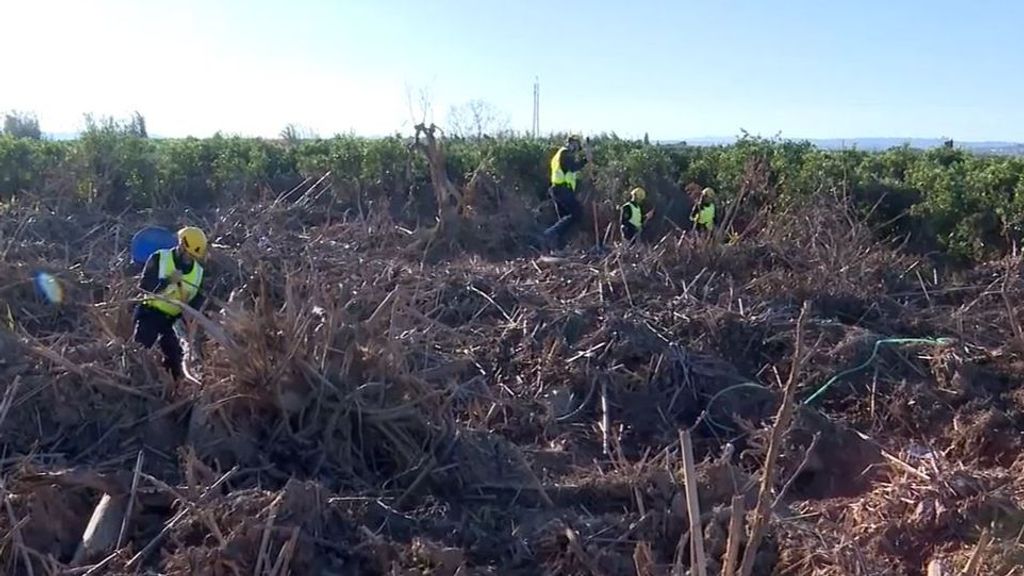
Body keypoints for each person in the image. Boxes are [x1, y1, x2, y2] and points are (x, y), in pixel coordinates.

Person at [133, 226, 208, 381]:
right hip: (150, 314)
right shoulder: (159, 258)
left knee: (175, 360)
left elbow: (197, 302)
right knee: (139, 353)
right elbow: (144, 287)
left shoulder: (198, 273)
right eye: (188, 254)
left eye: (193, 256)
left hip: (173, 322)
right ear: (181, 246)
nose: (189, 259)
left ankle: (171, 390)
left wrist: (191, 316)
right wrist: (167, 282)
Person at [544, 135, 591, 249]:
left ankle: (559, 247)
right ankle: (550, 233)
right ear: (571, 143)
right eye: (576, 145)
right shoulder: (564, 153)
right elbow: (572, 167)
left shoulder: (559, 155)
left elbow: (568, 173)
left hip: (559, 189)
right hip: (562, 190)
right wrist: (585, 160)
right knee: (577, 213)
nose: (576, 149)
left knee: (564, 220)